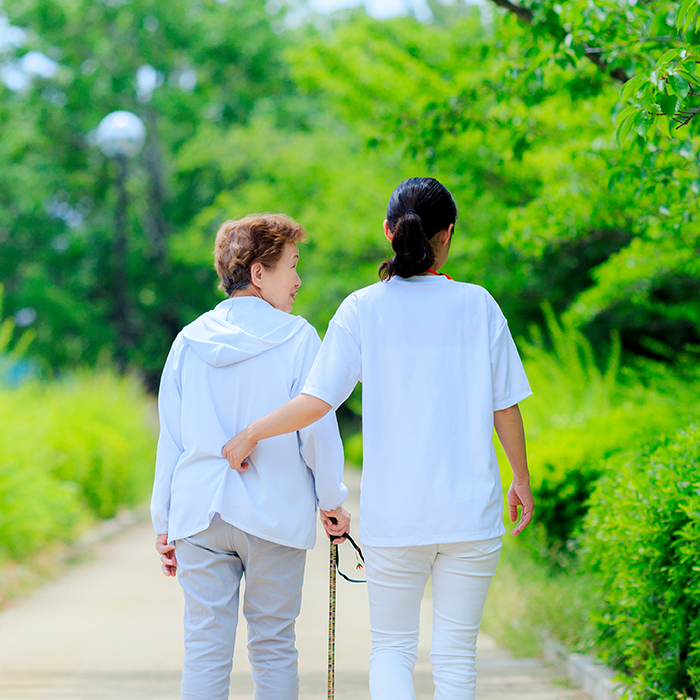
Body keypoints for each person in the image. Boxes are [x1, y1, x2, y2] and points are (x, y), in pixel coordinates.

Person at [222, 178, 534, 700]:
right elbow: (505, 405)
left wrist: (253, 431)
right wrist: (520, 479)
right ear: (447, 235)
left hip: (397, 519)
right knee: (457, 655)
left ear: (388, 231)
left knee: (392, 649)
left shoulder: (362, 308)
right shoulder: (478, 305)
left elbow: (318, 402)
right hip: (470, 513)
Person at [151, 213, 350, 700]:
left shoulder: (187, 341)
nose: (299, 280)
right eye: (292, 266)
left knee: (204, 645)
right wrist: (331, 500)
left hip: (200, 514)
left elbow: (171, 440)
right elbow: (317, 430)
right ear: (259, 273)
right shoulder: (299, 338)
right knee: (274, 644)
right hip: (273, 515)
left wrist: (164, 519)